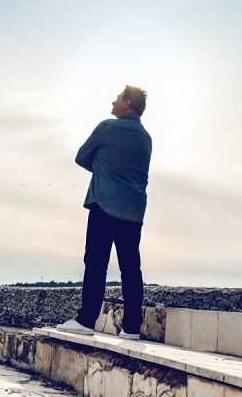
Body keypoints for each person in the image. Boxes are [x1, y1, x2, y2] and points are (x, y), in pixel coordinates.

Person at [57, 85, 152, 340]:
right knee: (131, 268)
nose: (113, 101)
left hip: (106, 204)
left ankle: (87, 320)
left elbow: (81, 157)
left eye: (118, 98)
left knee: (96, 262)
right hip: (134, 210)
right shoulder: (146, 137)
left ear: (127, 104)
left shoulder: (108, 127)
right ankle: (132, 327)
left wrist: (100, 166)